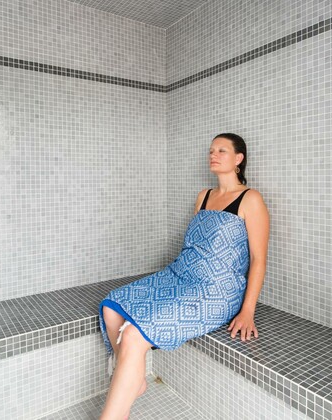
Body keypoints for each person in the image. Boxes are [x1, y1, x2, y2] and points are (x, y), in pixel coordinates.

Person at [98, 133, 270, 420]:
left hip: (215, 290)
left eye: (222, 150)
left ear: (239, 159)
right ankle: (133, 380)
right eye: (211, 150)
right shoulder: (204, 196)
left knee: (132, 334)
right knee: (111, 305)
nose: (213, 154)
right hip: (180, 276)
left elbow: (258, 259)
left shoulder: (250, 199)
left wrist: (247, 311)